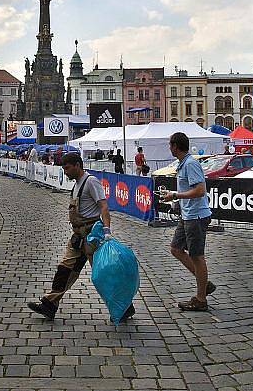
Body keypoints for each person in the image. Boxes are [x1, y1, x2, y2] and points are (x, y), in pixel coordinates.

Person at [28, 152, 134, 322]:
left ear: (77, 165)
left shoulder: (91, 181)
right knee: (65, 269)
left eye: (68, 168)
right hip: (78, 237)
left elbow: (104, 207)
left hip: (92, 238)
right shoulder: (77, 184)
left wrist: (107, 231)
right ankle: (50, 304)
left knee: (103, 274)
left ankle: (125, 306)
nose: (66, 172)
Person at [160, 132, 215, 312]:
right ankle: (203, 283)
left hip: (196, 217)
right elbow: (188, 191)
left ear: (176, 146)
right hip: (187, 215)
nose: (169, 148)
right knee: (176, 249)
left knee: (197, 256)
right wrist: (177, 201)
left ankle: (201, 299)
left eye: (170, 144)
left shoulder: (190, 164)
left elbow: (199, 191)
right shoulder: (183, 164)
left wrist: (176, 195)